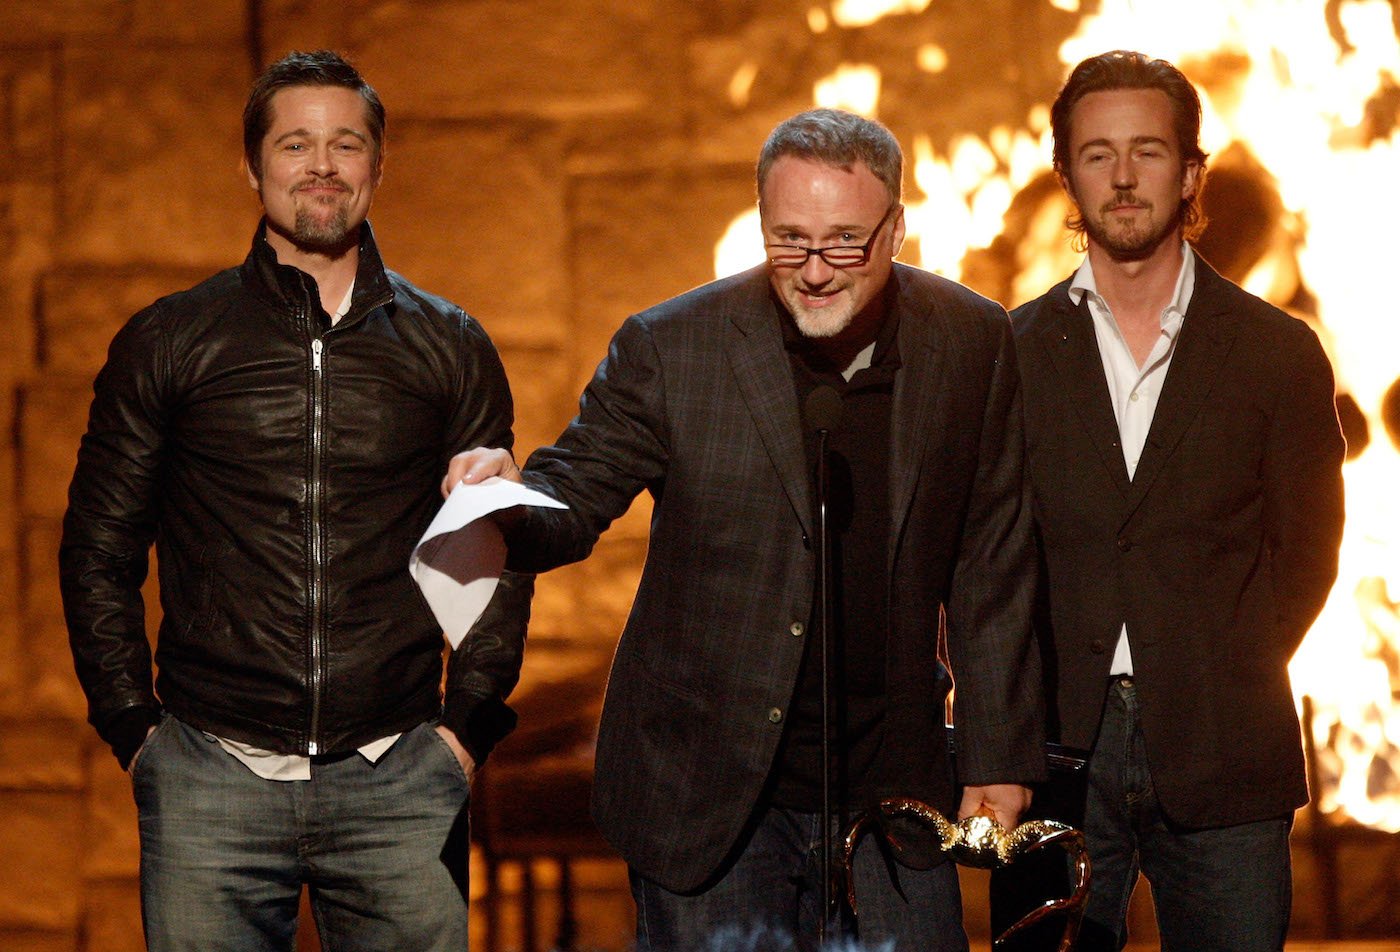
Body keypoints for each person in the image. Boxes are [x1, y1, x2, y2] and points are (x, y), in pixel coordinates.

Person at [447, 107, 1046, 951]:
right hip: (710, 797)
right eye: (788, 240)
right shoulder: (672, 347)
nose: (814, 271)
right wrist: (508, 495)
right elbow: (573, 493)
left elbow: (995, 557)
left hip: (892, 793)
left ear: (898, 230)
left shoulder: (970, 338)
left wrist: (999, 752)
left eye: (845, 241)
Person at [58, 50, 529, 951]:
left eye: (346, 145)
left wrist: (464, 733)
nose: (322, 166)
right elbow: (99, 548)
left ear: (378, 166)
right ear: (253, 166)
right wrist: (135, 730)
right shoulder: (170, 340)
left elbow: (494, 546)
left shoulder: (451, 346)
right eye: (296, 144)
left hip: (399, 775)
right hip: (210, 772)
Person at [1004, 50, 1346, 950]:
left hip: (1228, 748)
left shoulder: (1278, 353)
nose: (1122, 177)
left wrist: (1218, 661)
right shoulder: (1007, 355)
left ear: (1192, 172)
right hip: (1053, 756)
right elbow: (979, 556)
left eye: (1148, 152)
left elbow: (1309, 554)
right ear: (1065, 177)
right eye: (1097, 154)